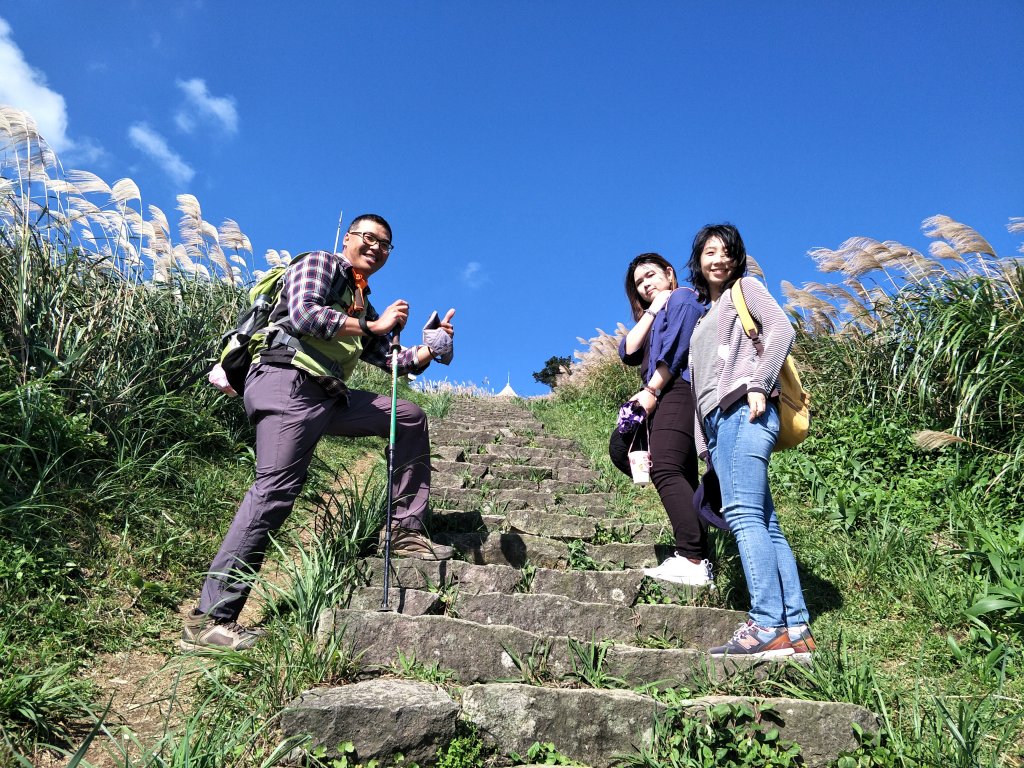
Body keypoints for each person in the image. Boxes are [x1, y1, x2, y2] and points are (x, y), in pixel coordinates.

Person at [183, 214, 456, 650]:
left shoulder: (360, 299)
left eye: (385, 244)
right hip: (286, 380)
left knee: (406, 416)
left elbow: (393, 362)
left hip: (326, 395)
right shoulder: (321, 264)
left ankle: (404, 529)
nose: (375, 247)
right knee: (274, 491)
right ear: (348, 239)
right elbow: (305, 314)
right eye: (367, 238)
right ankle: (209, 620)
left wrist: (431, 347)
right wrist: (375, 326)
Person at [686, 223, 814, 658]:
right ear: (698, 262)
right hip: (719, 424)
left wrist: (759, 381)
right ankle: (795, 629)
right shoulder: (703, 317)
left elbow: (781, 330)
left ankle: (765, 624)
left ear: (736, 258)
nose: (717, 258)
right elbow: (698, 387)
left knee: (742, 513)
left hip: (746, 407)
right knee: (763, 519)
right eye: (709, 252)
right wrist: (705, 446)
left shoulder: (747, 288)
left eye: (725, 251)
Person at [608, 253, 713, 587]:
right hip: (661, 391)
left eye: (651, 276)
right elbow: (627, 351)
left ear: (670, 274)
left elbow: (679, 348)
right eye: (639, 283)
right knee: (623, 447)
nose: (645, 285)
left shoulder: (684, 298)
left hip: (677, 388)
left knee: (666, 467)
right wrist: (652, 309)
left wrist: (652, 390)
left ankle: (692, 558)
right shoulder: (658, 312)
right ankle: (698, 552)